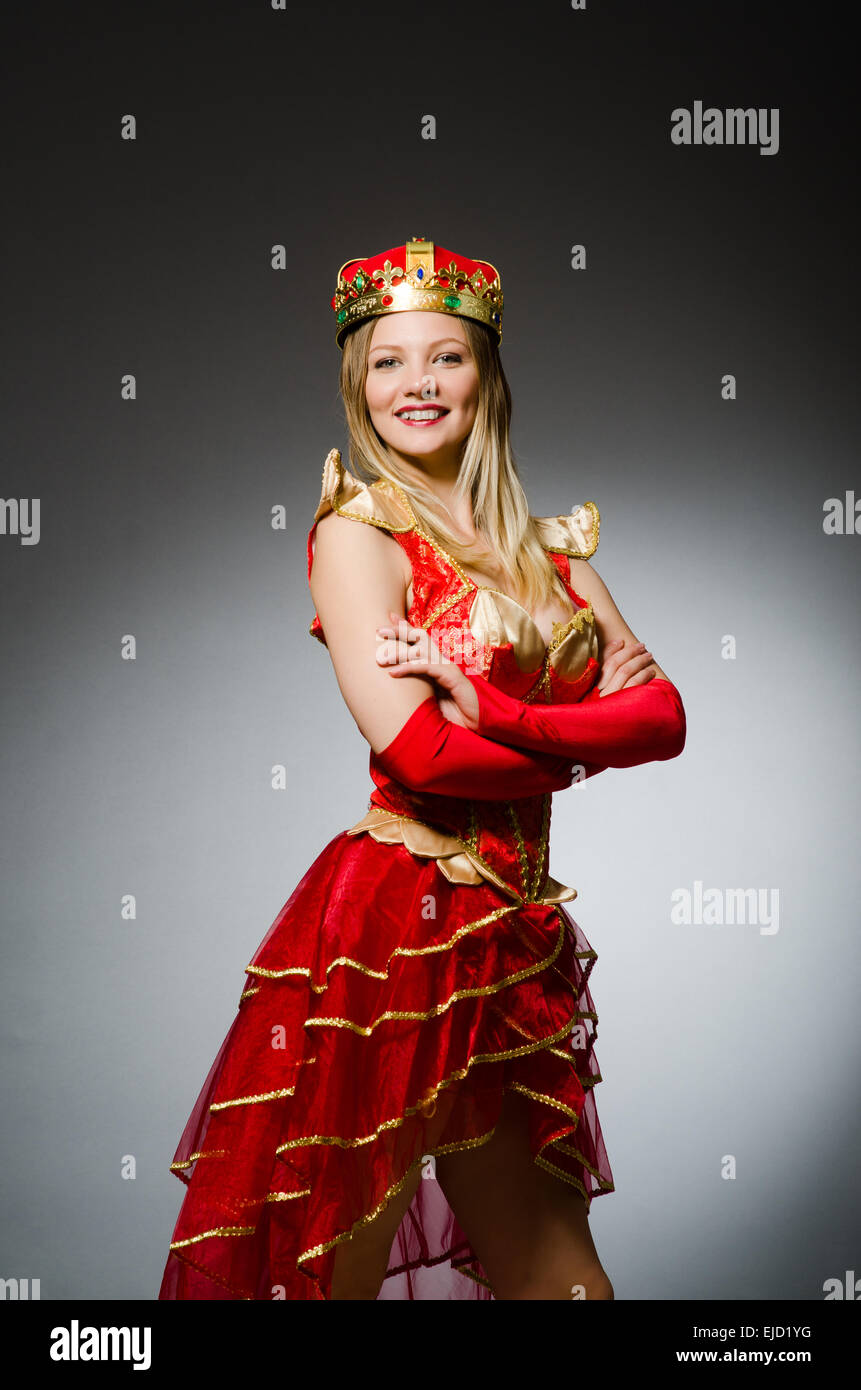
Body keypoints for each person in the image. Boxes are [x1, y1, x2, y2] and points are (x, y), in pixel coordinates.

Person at [158, 236, 686, 1302]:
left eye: (444, 357)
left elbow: (665, 718)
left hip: (519, 935)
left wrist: (491, 700)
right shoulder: (359, 536)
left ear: (486, 373)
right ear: (359, 383)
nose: (418, 384)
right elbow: (420, 750)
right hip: (396, 927)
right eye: (388, 362)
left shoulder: (554, 551)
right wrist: (575, 733)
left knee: (561, 1273)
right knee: (331, 1262)